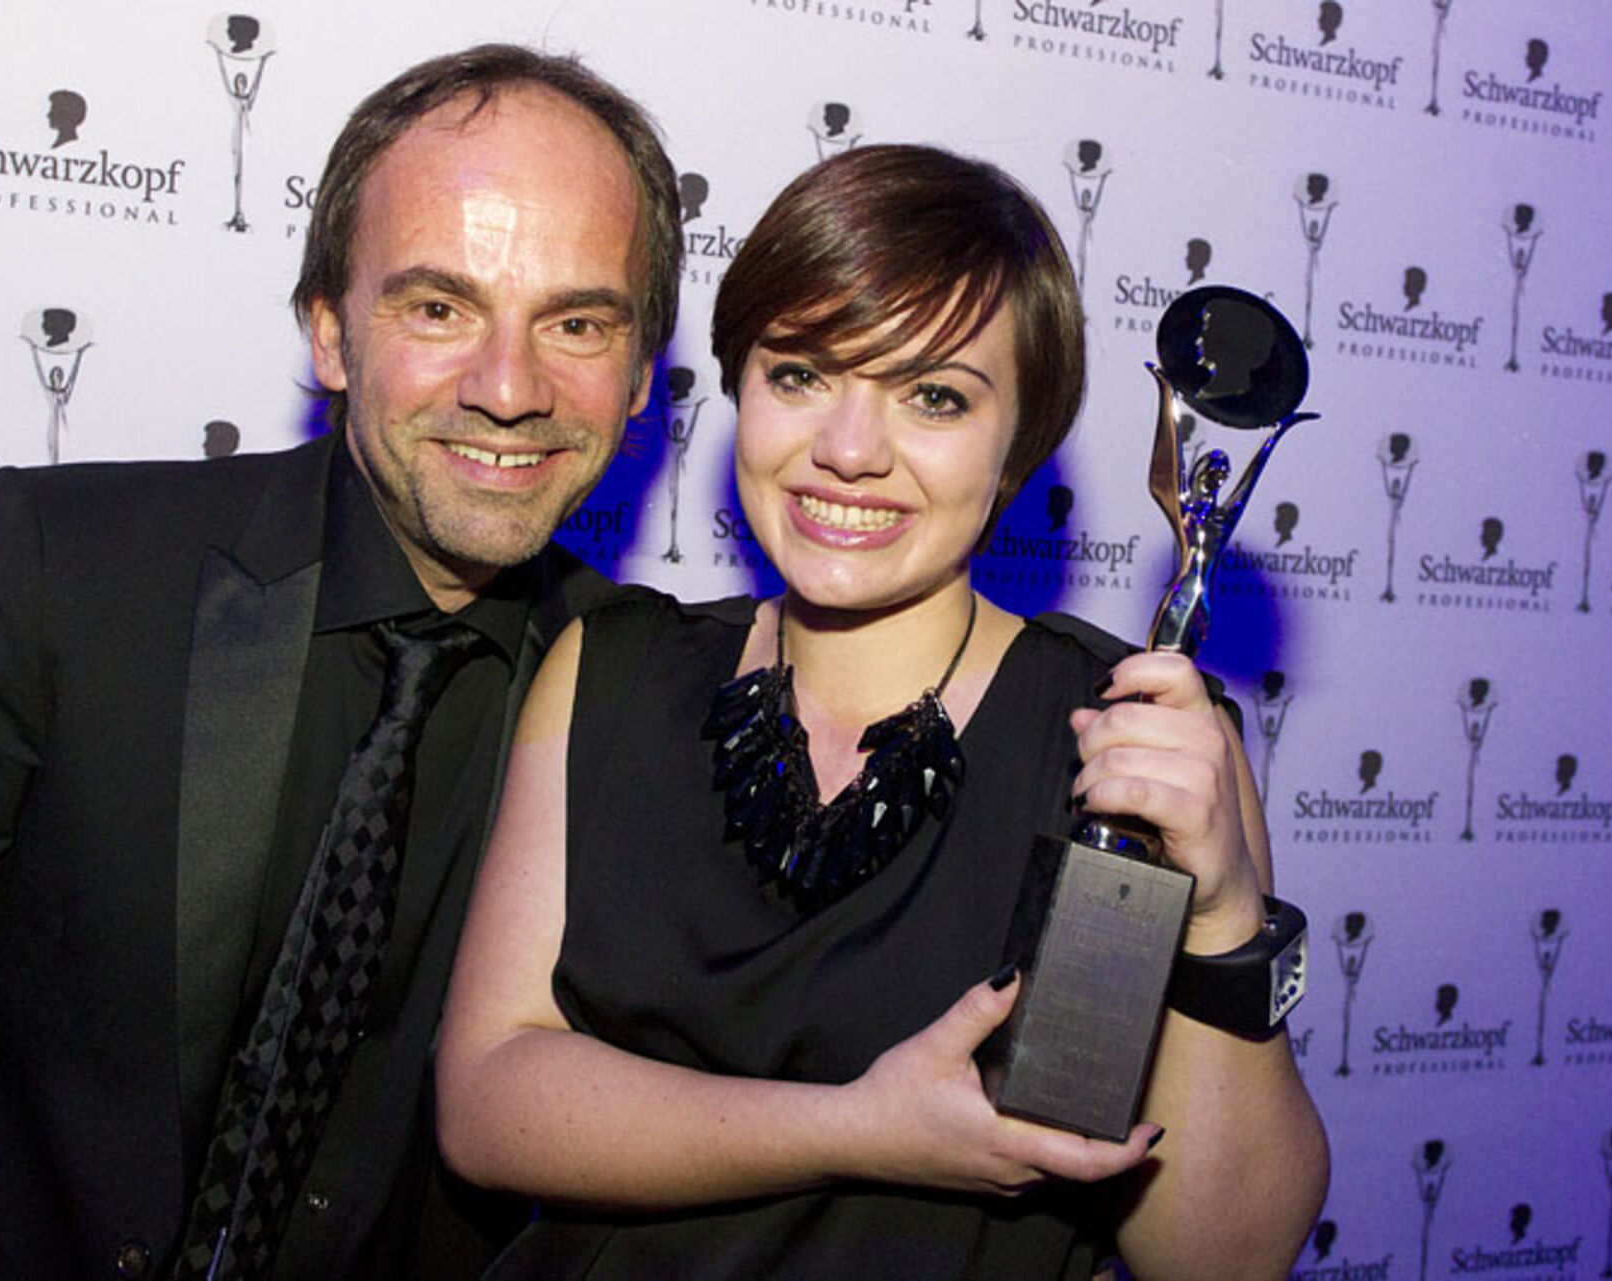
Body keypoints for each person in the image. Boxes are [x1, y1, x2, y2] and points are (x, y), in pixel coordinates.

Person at [0, 43, 680, 1280]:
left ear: (640, 377)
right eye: (439, 308)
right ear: (330, 334)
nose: (508, 387)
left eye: (578, 323)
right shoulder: (62, 573)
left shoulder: (650, 695)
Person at [437, 145, 1327, 1278]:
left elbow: (1224, 1260)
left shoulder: (1133, 734)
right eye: (800, 375)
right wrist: (858, 1127)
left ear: (1020, 444)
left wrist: (1225, 917)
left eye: (934, 396)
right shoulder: (610, 668)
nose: (848, 452)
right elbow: (486, 1102)